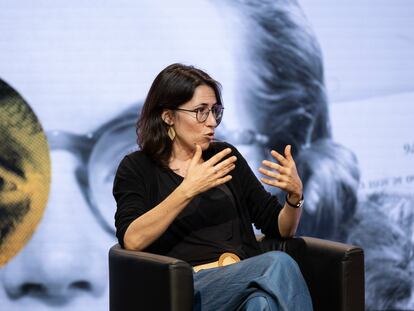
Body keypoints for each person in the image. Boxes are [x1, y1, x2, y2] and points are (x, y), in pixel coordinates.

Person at [113, 63, 312, 310]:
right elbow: (132, 239)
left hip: (242, 278)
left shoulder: (226, 156)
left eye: (215, 111)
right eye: (200, 111)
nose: (212, 123)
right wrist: (188, 190)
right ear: (168, 116)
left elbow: (279, 227)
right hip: (187, 290)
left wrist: (294, 197)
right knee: (278, 265)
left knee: (262, 303)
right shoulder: (137, 167)